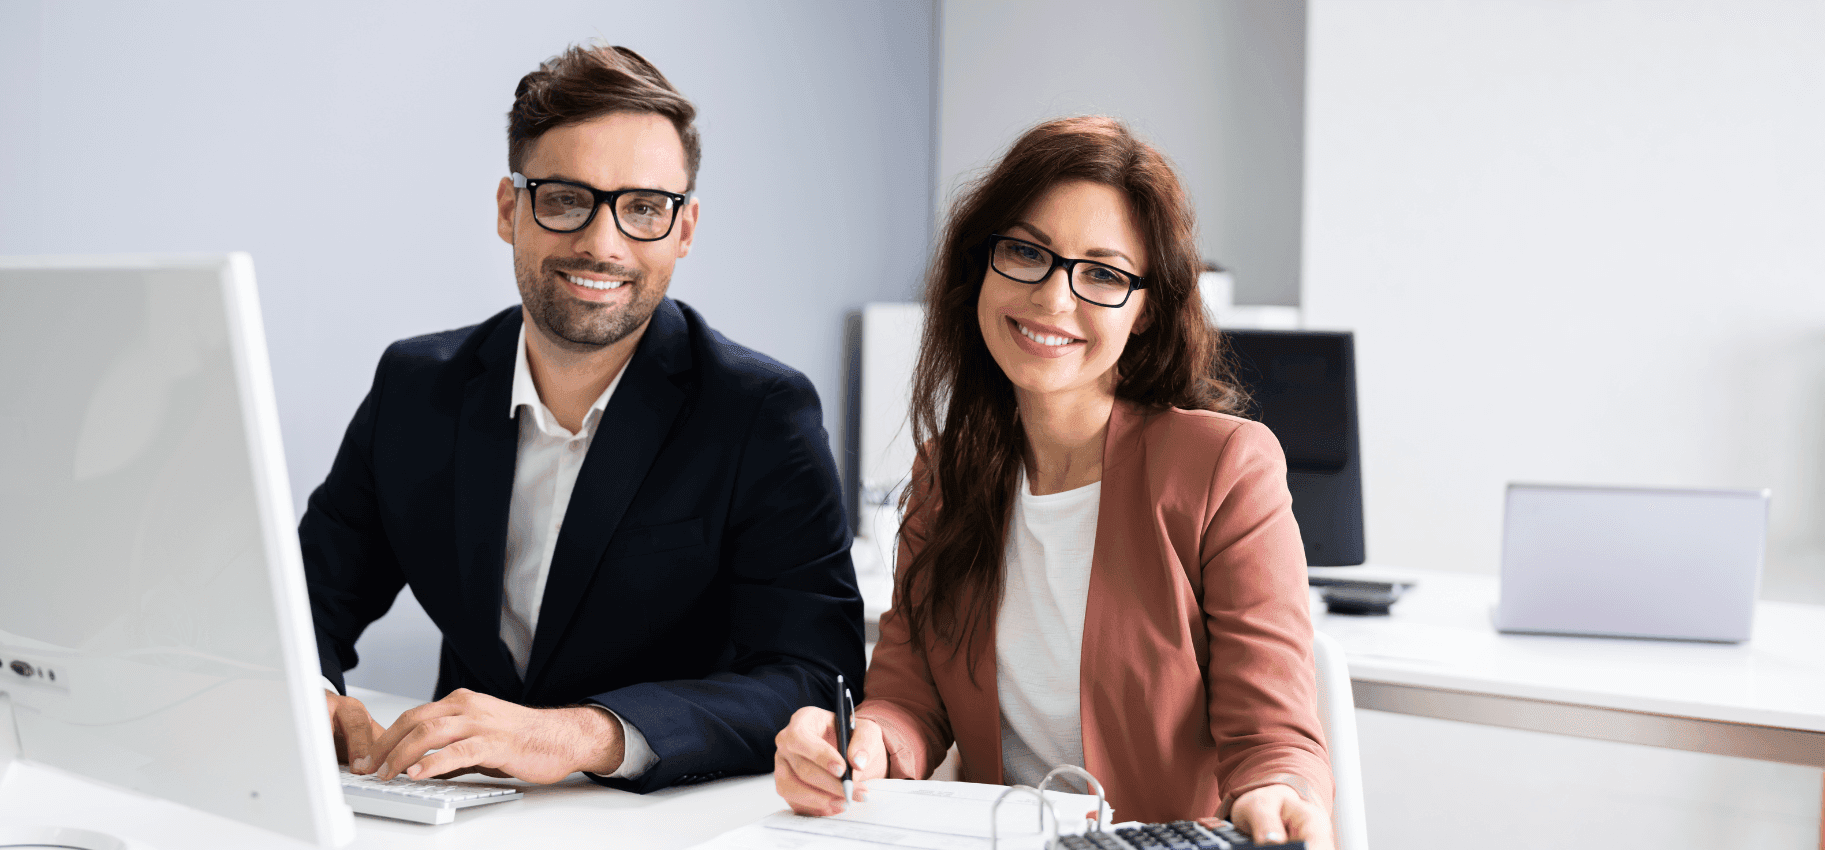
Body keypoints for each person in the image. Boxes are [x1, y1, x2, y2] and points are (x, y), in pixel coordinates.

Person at [301, 43, 865, 794]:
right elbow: (300, 598)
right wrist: (311, 696)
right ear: (510, 210)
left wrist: (582, 733)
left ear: (685, 229)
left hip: (668, 825)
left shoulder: (760, 414)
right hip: (456, 813)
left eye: (643, 209)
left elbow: (814, 676)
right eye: (566, 198)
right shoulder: (416, 388)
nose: (603, 244)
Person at [771, 116, 1336, 846]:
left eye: (1102, 272)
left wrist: (1277, 793)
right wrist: (858, 744)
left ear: (1144, 311)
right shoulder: (947, 471)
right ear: (982, 266)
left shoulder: (1225, 467)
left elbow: (1273, 735)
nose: (1053, 298)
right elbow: (909, 699)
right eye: (1027, 252)